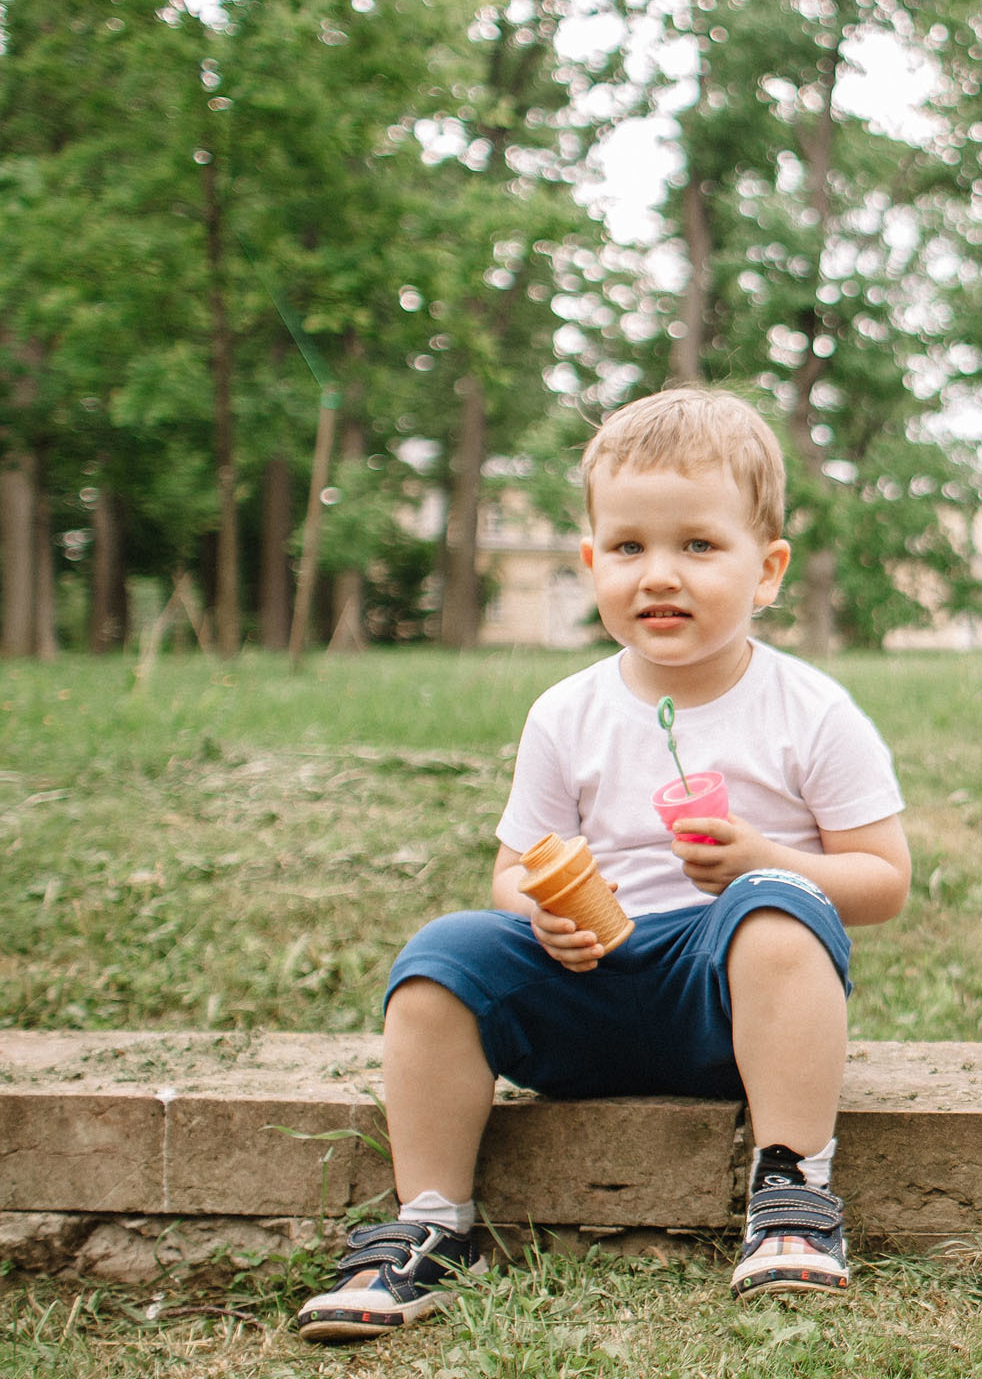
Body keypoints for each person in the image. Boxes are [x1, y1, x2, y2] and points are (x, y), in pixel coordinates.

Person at [296, 388, 909, 1343]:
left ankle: (792, 1191)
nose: (659, 574)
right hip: (591, 985)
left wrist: (762, 860)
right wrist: (543, 915)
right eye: (628, 548)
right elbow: (514, 870)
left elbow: (884, 879)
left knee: (772, 907)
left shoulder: (812, 711)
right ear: (590, 564)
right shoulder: (566, 713)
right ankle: (430, 1220)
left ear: (768, 570)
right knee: (442, 957)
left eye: (698, 546)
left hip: (727, 1006)